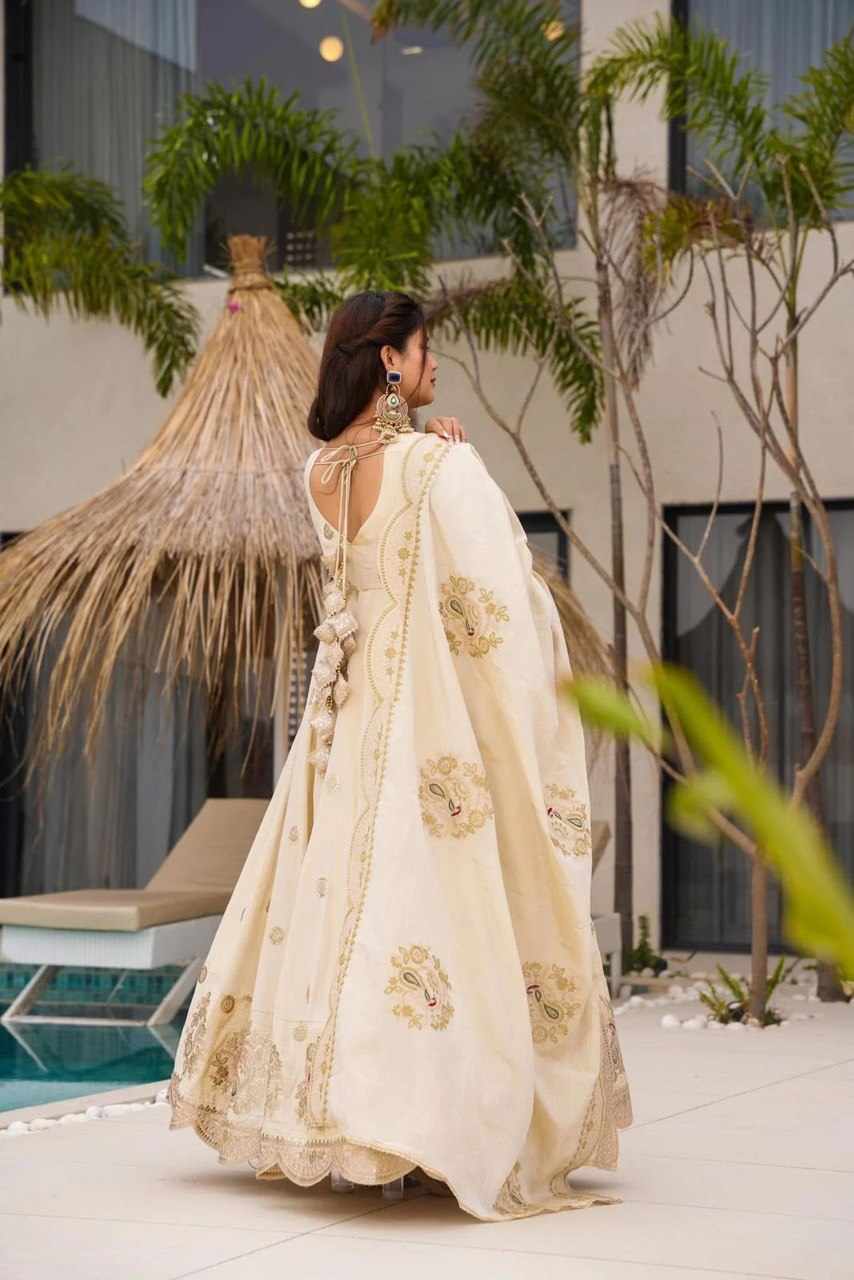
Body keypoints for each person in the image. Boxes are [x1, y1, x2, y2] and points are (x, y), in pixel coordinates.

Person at [166, 289, 633, 1221]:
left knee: (342, 912)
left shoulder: (317, 469)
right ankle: (430, 1126)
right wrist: (454, 463)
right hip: (424, 723)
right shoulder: (435, 466)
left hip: (342, 723)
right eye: (425, 350)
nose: (434, 365)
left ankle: (343, 1119)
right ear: (389, 359)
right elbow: (498, 604)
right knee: (436, 912)